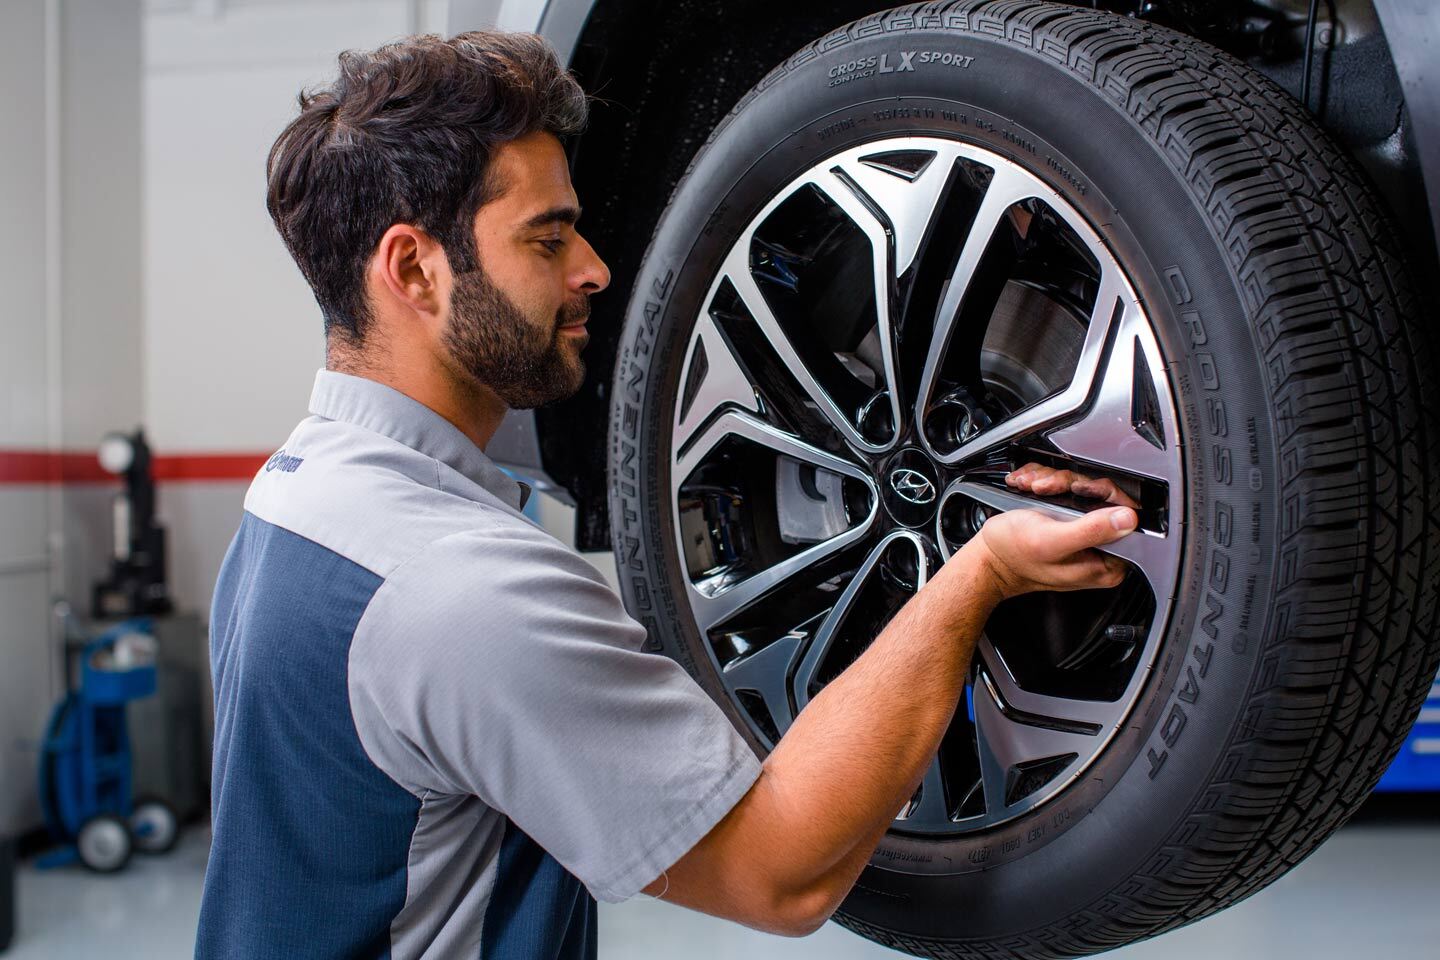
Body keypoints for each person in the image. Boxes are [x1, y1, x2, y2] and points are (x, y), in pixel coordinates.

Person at [195, 30, 1138, 960]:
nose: (595, 268)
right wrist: (974, 579)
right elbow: (779, 873)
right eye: (548, 238)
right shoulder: (457, 589)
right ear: (414, 270)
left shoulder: (297, 497)